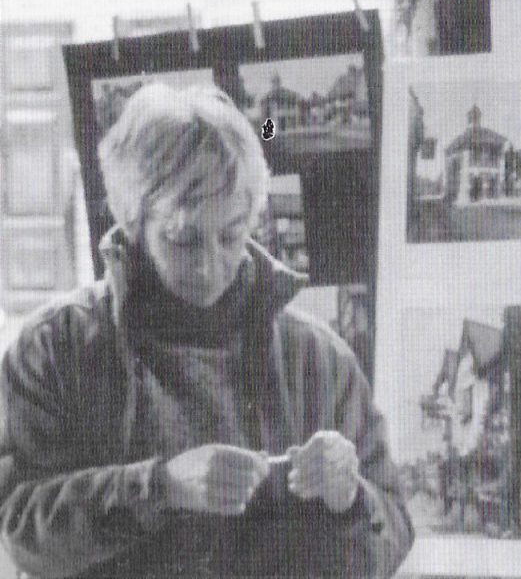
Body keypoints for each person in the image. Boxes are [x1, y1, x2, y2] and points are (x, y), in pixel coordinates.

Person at [0, 83, 413, 578]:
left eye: (231, 235)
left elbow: (393, 530)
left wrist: (350, 497)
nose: (209, 266)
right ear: (134, 222)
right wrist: (160, 487)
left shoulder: (315, 358)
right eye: (183, 240)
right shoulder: (54, 347)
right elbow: (18, 528)